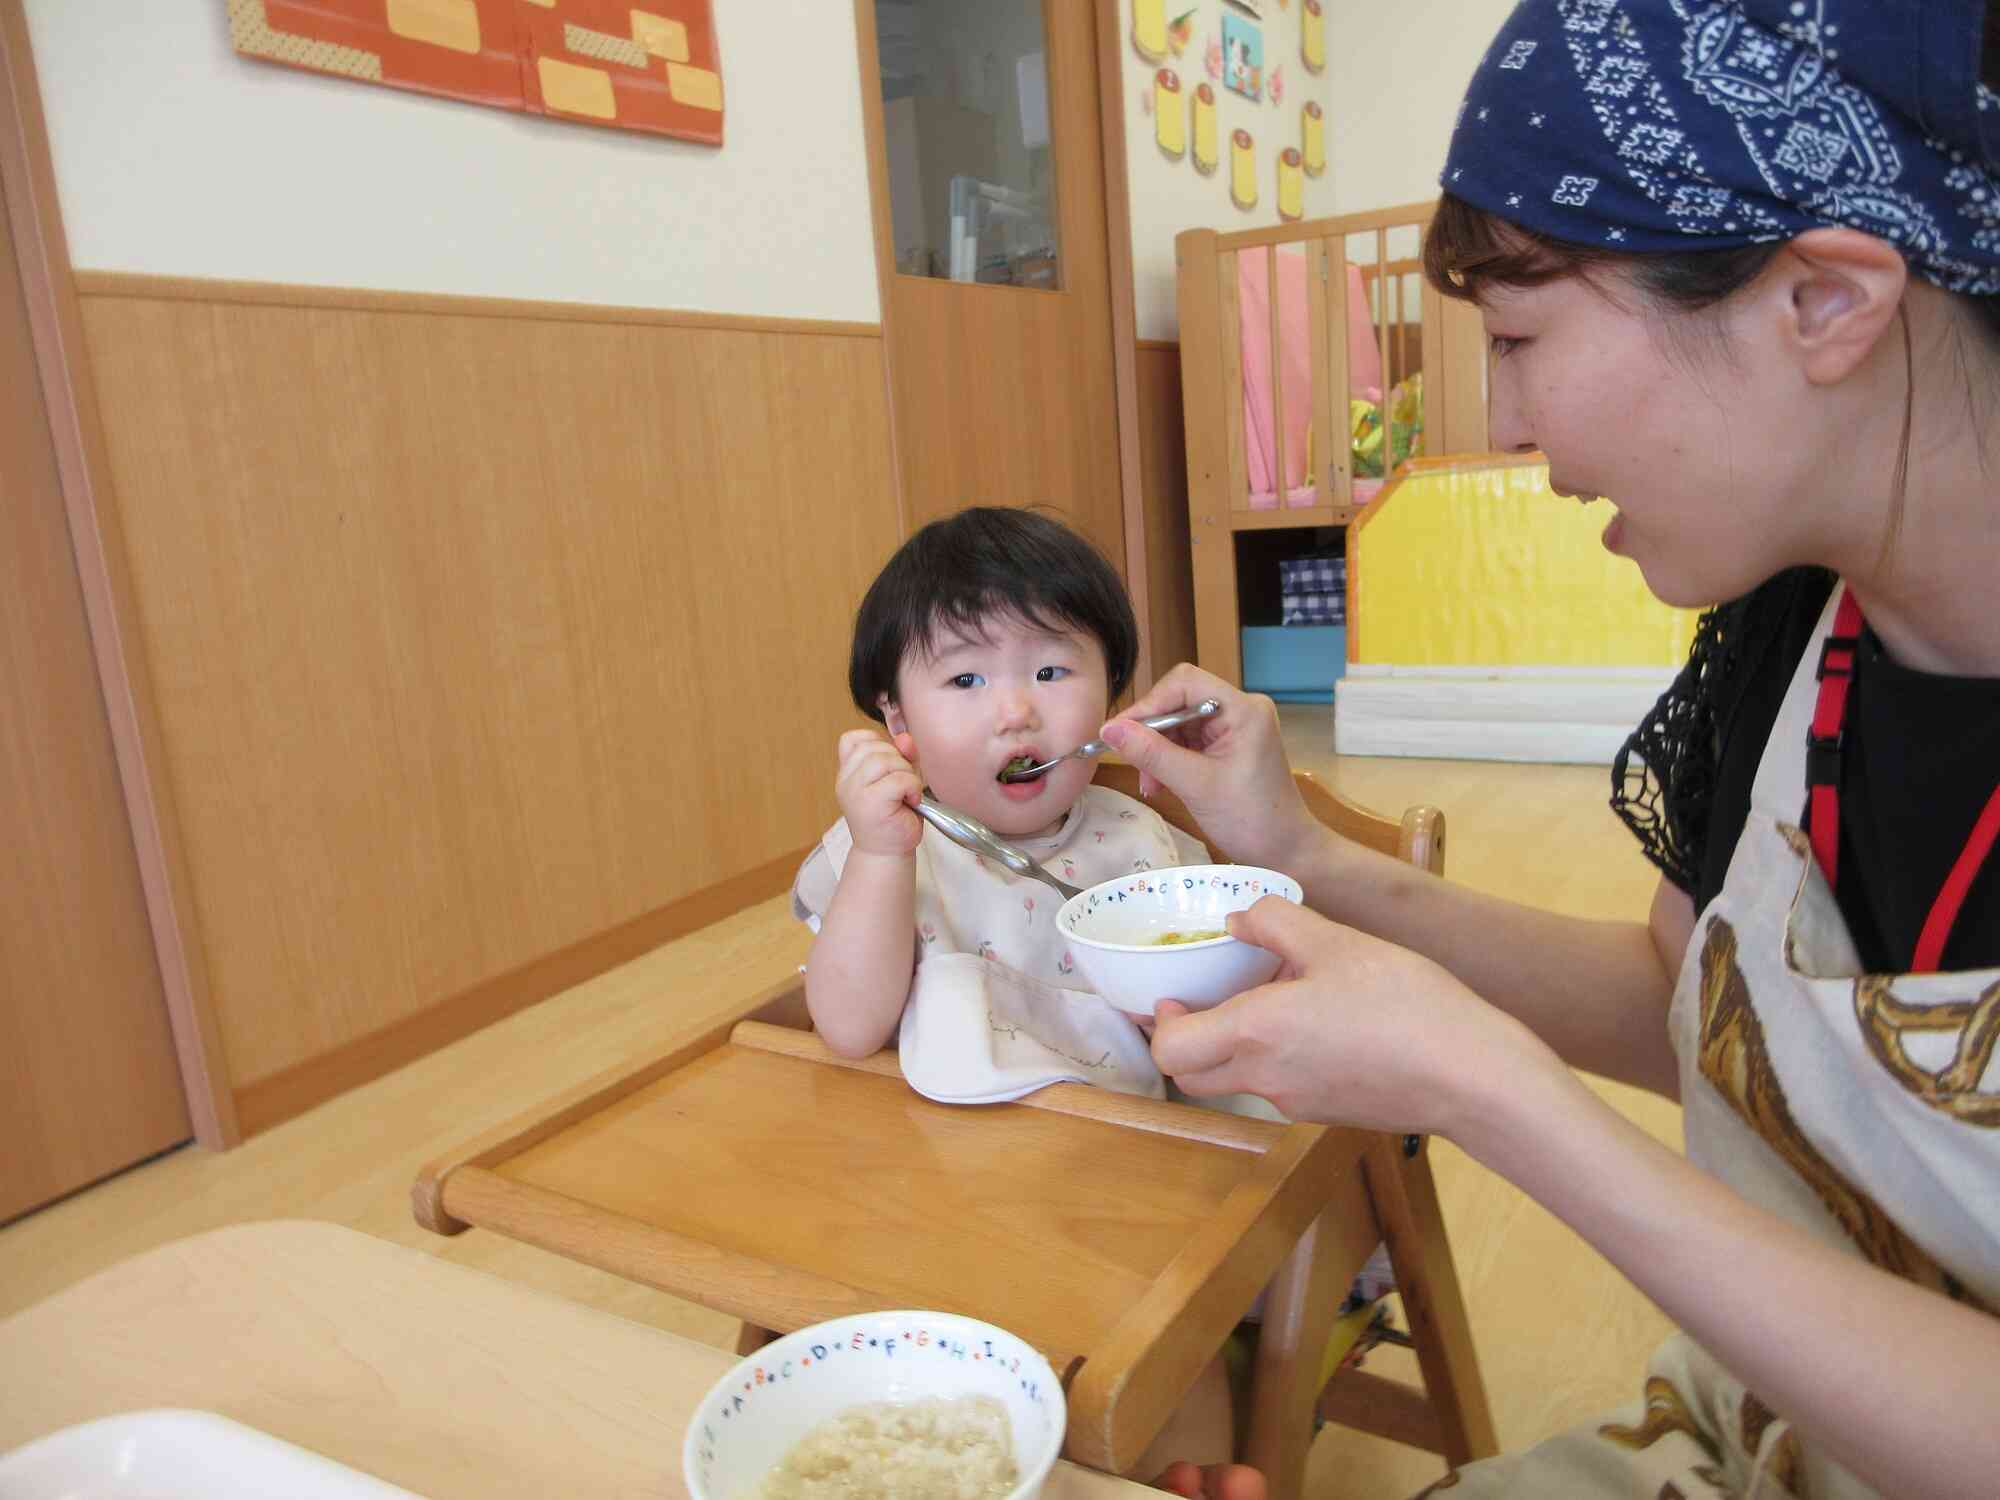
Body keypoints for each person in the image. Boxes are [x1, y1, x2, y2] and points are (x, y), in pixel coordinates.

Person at [1096, 3, 2000, 1496]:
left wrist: (1490, 1092)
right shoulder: (1794, 635)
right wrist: (1305, 860)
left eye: (1520, 337)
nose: (1506, 422)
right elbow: (1688, 1002)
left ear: (1826, 302)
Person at [791, 505, 1264, 1499]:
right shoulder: (886, 852)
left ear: (1111, 701)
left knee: (1177, 1345)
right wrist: (880, 856)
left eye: (1051, 673)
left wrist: (1185, 1010)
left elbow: (1217, 1018)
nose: (1015, 712)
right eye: (965, 679)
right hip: (934, 1205)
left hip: (1126, 1194)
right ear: (897, 725)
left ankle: (1183, 1471)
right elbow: (844, 1027)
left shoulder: (1146, 851)